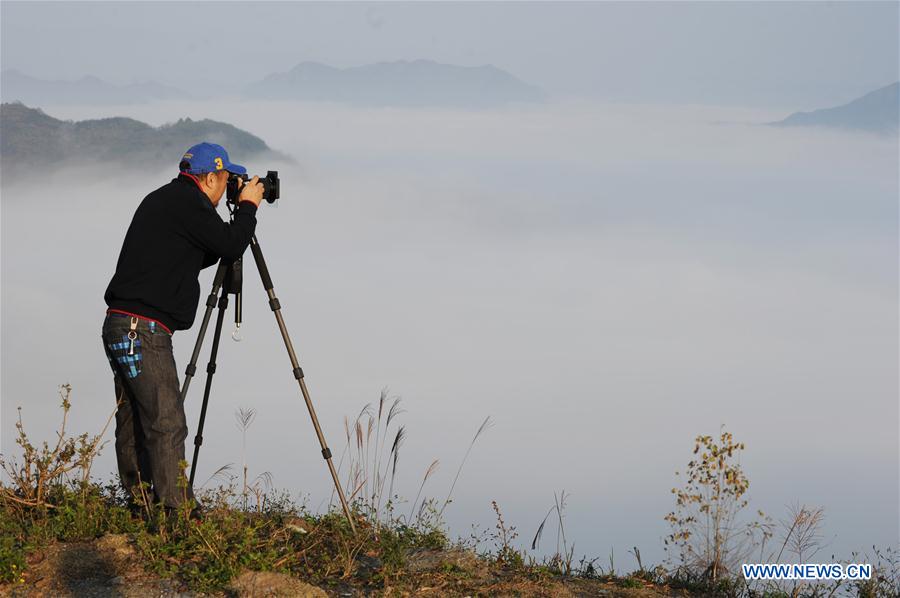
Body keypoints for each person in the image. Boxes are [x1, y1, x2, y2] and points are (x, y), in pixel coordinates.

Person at [102, 142, 264, 516]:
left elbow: (202, 249)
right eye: (226, 180)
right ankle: (178, 515)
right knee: (166, 422)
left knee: (134, 421)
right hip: (141, 330)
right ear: (210, 178)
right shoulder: (190, 204)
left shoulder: (165, 200)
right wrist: (250, 208)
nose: (230, 187)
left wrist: (234, 224)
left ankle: (141, 506)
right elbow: (228, 243)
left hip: (120, 325)